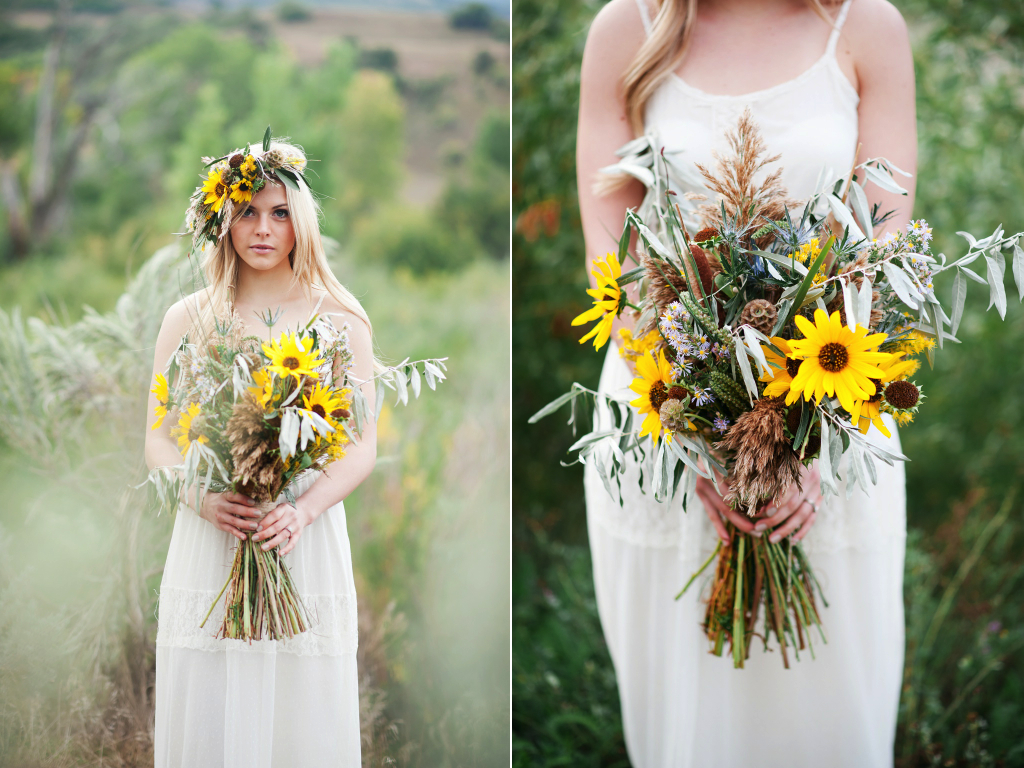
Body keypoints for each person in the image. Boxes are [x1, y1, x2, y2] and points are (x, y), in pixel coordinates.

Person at [576, 0, 917, 765]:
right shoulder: (626, 29)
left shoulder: (867, 27)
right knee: (686, 715)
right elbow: (615, 258)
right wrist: (706, 439)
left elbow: (887, 240)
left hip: (833, 409)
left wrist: (801, 443)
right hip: (662, 414)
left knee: (831, 705)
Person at [144, 137, 377, 767]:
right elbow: (159, 437)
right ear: (222, 220)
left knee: (299, 713)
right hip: (213, 532)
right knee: (214, 701)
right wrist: (204, 499)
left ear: (301, 222)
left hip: (299, 533)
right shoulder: (188, 317)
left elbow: (360, 448)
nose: (263, 228)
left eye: (279, 213)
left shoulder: (341, 318)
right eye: (247, 211)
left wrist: (301, 512)